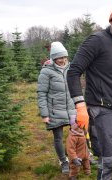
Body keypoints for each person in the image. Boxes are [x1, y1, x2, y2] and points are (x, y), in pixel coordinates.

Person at [67, 3, 112, 180]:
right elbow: (73, 72)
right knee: (110, 162)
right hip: (102, 110)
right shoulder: (97, 40)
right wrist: (80, 106)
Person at [37, 41, 75, 175]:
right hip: (54, 110)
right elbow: (41, 93)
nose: (62, 60)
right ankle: (63, 161)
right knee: (58, 137)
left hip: (71, 109)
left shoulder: (71, 68)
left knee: (77, 133)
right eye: (59, 58)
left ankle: (81, 156)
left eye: (64, 57)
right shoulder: (46, 71)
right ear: (53, 58)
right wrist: (44, 114)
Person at [66, 115, 91, 179]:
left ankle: (87, 171)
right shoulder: (72, 137)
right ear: (74, 126)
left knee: (86, 162)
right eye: (79, 126)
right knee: (75, 166)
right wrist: (74, 158)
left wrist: (88, 149)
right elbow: (70, 149)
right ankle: (73, 175)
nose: (81, 127)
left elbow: (86, 141)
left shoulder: (82, 132)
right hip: (77, 156)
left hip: (85, 153)